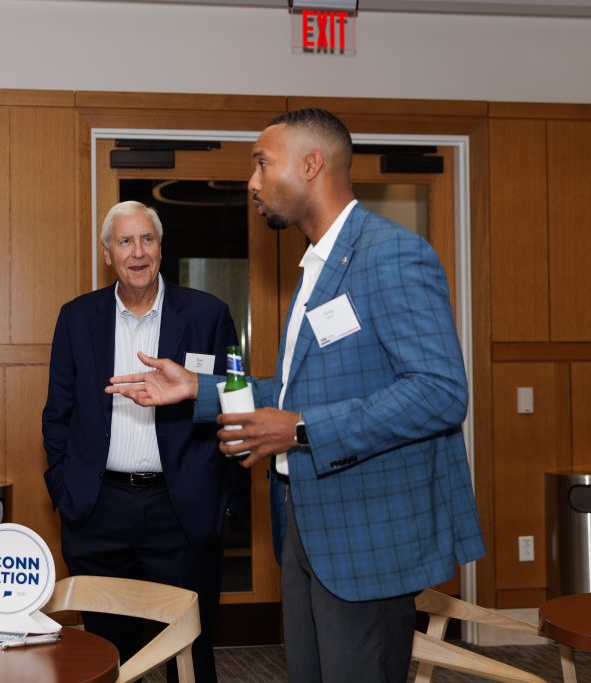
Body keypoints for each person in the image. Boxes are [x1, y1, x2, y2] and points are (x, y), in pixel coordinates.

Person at [107, 109, 485, 682]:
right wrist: (195, 389)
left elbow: (439, 393)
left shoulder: (390, 255)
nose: (252, 182)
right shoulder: (314, 268)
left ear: (313, 164)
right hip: (304, 529)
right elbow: (289, 392)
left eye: (262, 163)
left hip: (367, 539)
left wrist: (303, 429)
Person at [42, 200, 241, 683]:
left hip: (181, 513)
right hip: (98, 512)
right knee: (107, 654)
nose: (137, 252)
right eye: (125, 241)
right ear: (107, 252)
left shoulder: (208, 315)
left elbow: (236, 407)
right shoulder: (76, 318)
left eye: (147, 239)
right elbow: (58, 416)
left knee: (187, 650)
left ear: (161, 249)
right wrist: (66, 493)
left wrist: (222, 502)